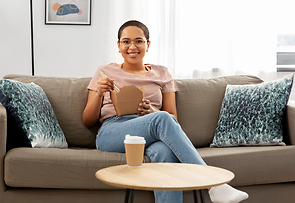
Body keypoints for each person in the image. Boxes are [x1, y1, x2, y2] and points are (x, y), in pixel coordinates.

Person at [82, 20, 249, 203]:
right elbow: (88, 121)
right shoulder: (105, 72)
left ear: (148, 44)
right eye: (126, 41)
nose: (132, 47)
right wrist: (99, 93)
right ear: (118, 45)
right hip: (113, 131)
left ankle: (214, 188)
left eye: (139, 41)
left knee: (165, 152)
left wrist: (151, 111)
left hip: (152, 132)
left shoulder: (162, 73)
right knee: (161, 118)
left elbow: (173, 118)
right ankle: (214, 185)